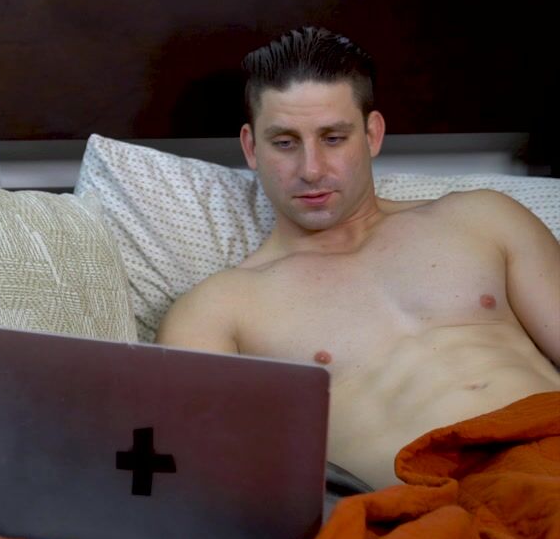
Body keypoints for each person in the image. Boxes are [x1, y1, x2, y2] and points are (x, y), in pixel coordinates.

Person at [155, 27, 560, 489]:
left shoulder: (483, 219)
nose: (311, 169)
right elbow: (201, 476)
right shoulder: (219, 308)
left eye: (333, 138)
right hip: (425, 511)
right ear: (251, 147)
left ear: (372, 134)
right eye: (284, 142)